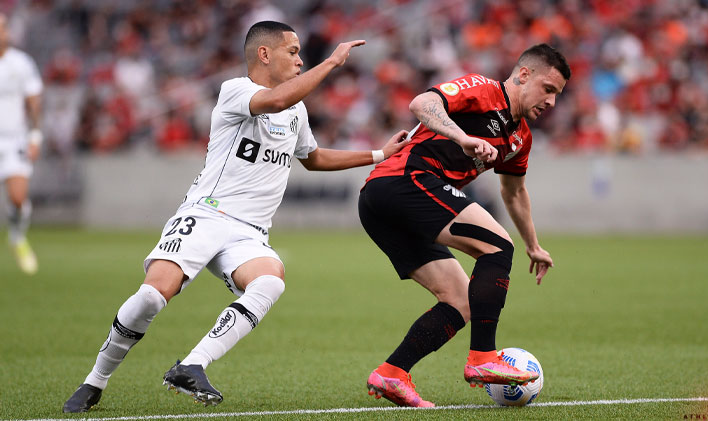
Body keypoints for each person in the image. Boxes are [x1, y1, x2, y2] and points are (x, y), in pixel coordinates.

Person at [62, 20, 410, 413]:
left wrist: (379, 154)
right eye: (292, 52)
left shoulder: (296, 109)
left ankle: (192, 364)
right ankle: (96, 380)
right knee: (151, 297)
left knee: (270, 281)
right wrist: (331, 63)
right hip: (207, 214)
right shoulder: (236, 91)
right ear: (265, 54)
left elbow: (312, 158)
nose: (299, 60)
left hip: (249, 232)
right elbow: (275, 101)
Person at [358, 44, 570, 407]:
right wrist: (462, 137)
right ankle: (484, 357)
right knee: (498, 247)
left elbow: (514, 192)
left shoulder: (520, 138)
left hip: (392, 204)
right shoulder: (483, 90)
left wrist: (534, 245)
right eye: (548, 89)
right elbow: (421, 104)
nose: (550, 102)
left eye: (557, 95)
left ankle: (393, 373)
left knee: (460, 300)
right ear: (523, 75)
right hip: (403, 181)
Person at [0, 12, 43, 275]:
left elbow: (34, 102)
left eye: (3, 27)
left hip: (13, 138)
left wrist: (35, 136)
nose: (3, 32)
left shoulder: (21, 62)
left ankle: (16, 237)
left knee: (17, 198)